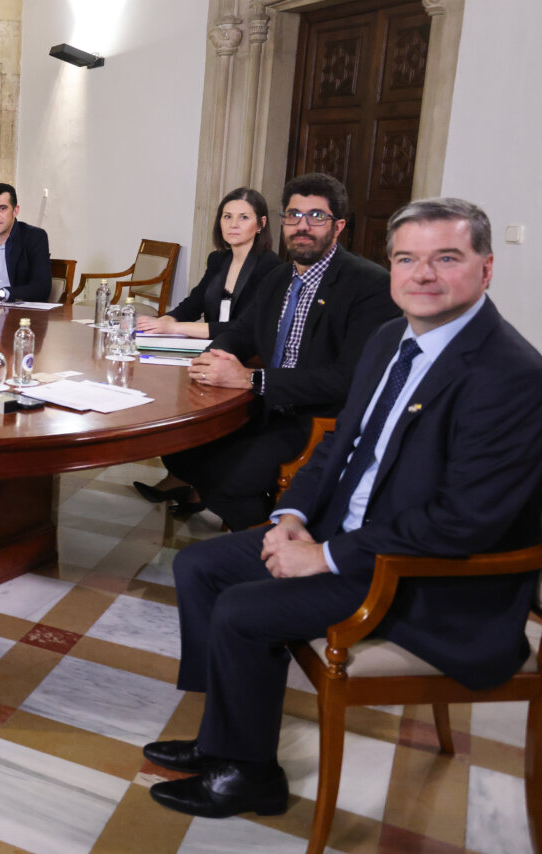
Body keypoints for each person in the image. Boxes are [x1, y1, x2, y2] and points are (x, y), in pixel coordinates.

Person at [143, 198, 542, 820]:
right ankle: (225, 737)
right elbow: (338, 443)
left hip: (420, 578)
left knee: (242, 609)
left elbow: (465, 520)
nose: (423, 274)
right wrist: (291, 519)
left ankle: (250, 776)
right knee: (199, 568)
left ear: (486, 270)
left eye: (447, 258)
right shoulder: (391, 338)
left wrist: (324, 556)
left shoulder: (510, 374)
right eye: (407, 259)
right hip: (348, 536)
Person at [158, 173, 397, 528]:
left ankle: (268, 551)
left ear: (339, 226)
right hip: (264, 409)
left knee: (227, 482)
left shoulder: (370, 285)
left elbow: (347, 379)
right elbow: (240, 333)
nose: (302, 226)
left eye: (316, 216)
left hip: (317, 421)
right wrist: (215, 357)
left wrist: (252, 379)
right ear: (283, 222)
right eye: (293, 215)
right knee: (178, 453)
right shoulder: (278, 279)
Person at [133, 187, 282, 512]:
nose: (233, 224)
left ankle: (195, 483)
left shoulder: (271, 267)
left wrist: (176, 328)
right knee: (169, 398)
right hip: (206, 351)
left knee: (202, 416)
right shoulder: (219, 260)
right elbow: (195, 302)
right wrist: (164, 320)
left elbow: (246, 329)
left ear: (261, 223)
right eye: (227, 216)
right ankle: (183, 478)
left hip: (242, 360)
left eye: (243, 217)